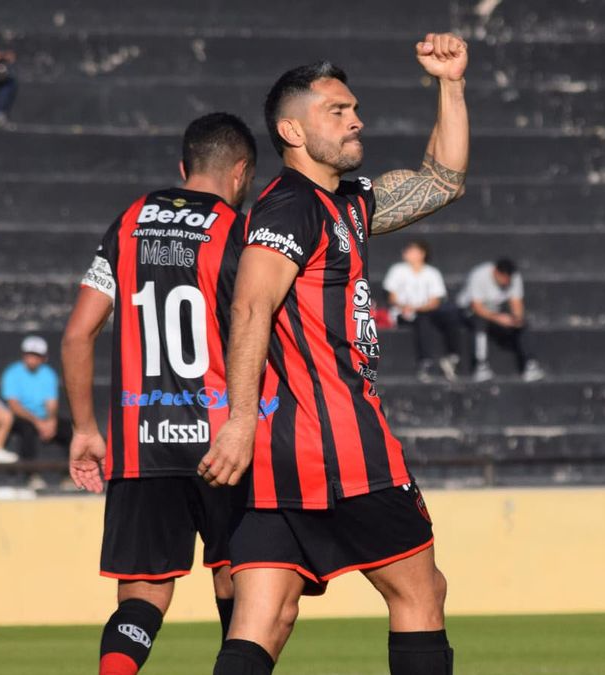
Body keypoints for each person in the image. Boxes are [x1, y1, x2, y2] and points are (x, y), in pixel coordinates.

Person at [198, 33, 469, 675]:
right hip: (341, 441)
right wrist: (237, 419)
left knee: (265, 617)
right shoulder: (290, 207)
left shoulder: (343, 204)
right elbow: (250, 307)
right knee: (421, 592)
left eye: (354, 110)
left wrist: (450, 84)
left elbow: (442, 181)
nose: (357, 121)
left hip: (279, 452)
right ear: (292, 130)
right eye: (338, 112)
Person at [62, 112, 257, 675]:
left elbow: (78, 334)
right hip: (223, 443)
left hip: (139, 442)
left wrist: (84, 429)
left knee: (143, 595)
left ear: (183, 167)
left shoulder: (129, 223)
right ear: (241, 173)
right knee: (237, 579)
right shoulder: (241, 233)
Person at [382, 239, 463, 381]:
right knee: (423, 320)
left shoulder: (432, 273)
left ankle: (452, 357)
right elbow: (392, 298)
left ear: (422, 254)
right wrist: (407, 308)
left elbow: (435, 301)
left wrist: (416, 308)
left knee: (451, 316)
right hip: (402, 314)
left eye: (411, 250)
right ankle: (425, 364)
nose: (406, 253)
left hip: (424, 313)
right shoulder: (397, 270)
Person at [459, 258, 544, 382]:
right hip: (469, 310)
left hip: (496, 311)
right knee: (480, 323)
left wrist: (517, 319)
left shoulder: (514, 278)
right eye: (503, 277)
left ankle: (530, 364)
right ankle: (480, 365)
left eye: (508, 279)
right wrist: (498, 319)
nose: (505, 282)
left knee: (523, 324)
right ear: (495, 272)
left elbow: (516, 303)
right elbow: (476, 307)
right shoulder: (479, 275)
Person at [2, 335, 72, 467]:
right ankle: (30, 474)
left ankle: (68, 475)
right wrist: (37, 422)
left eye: (36, 356)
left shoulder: (48, 374)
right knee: (27, 429)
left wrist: (51, 420)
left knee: (69, 428)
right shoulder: (12, 373)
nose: (32, 359)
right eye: (29, 355)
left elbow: (51, 402)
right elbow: (14, 405)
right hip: (21, 418)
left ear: (44, 358)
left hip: (43, 419)